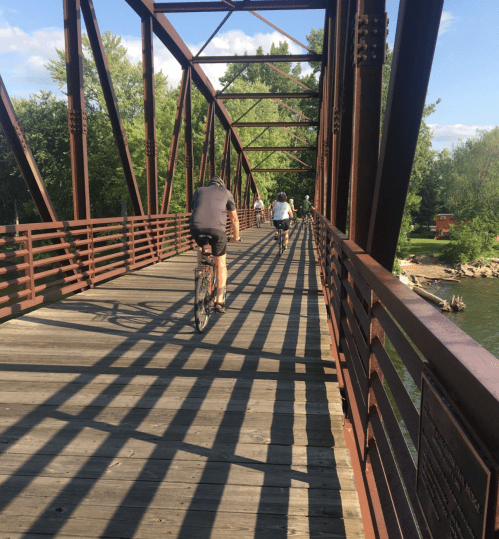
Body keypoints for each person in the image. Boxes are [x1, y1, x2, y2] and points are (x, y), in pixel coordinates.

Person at [190, 175, 240, 314]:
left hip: (196, 228)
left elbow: (195, 210)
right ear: (221, 185)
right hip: (217, 231)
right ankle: (219, 302)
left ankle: (201, 282)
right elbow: (234, 218)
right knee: (221, 264)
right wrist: (236, 236)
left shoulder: (199, 191)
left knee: (202, 251)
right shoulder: (226, 193)